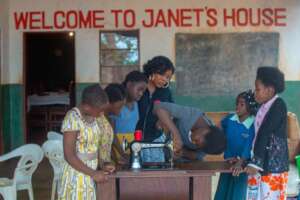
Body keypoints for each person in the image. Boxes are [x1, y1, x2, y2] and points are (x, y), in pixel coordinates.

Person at [58, 84, 115, 200]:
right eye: (100, 111)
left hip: (91, 172)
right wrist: (93, 173)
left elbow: (93, 147)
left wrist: (103, 165)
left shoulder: (94, 117)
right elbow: (69, 155)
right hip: (76, 174)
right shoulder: (72, 118)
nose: (101, 114)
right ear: (87, 107)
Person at [245, 66, 289, 200]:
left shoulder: (278, 105)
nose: (255, 92)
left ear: (270, 90)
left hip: (272, 165)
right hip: (259, 161)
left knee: (268, 195)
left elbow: (265, 132)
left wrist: (255, 163)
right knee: (255, 195)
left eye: (257, 89)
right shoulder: (263, 106)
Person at [214, 90, 258, 200]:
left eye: (242, 104)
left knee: (237, 193)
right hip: (228, 162)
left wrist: (240, 162)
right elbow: (219, 127)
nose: (237, 106)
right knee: (223, 191)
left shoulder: (252, 124)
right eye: (237, 103)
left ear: (249, 107)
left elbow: (248, 146)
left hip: (242, 166)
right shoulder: (230, 119)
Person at [153, 102, 227, 160]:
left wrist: (182, 153)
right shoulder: (190, 114)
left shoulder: (210, 144)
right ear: (205, 131)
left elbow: (199, 155)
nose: (194, 143)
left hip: (181, 163)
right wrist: (176, 134)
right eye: (197, 141)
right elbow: (159, 107)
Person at [136, 56, 175, 162]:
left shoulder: (165, 92)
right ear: (153, 70)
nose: (165, 80)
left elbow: (172, 110)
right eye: (163, 75)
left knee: (155, 171)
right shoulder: (138, 85)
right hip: (134, 137)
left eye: (168, 78)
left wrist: (162, 120)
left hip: (156, 138)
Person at [107, 71, 148, 164]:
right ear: (129, 85)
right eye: (139, 89)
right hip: (117, 151)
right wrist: (122, 153)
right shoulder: (116, 104)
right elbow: (111, 134)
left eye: (143, 91)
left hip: (131, 150)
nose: (141, 93)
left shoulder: (137, 105)